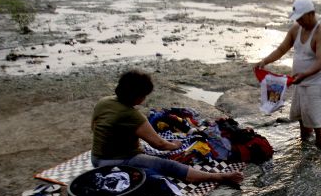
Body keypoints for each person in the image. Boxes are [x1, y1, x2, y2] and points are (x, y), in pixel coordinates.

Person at [91, 70, 243, 185]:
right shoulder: (132, 115)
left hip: (96, 157)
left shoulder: (104, 101)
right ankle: (219, 176)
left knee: (146, 153)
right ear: (137, 96)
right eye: (144, 95)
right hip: (111, 163)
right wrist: (174, 145)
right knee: (167, 164)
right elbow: (160, 145)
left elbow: (95, 127)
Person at [254, 0, 321, 147]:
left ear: (311, 14)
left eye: (301, 18)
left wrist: (304, 75)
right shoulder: (296, 29)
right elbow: (281, 49)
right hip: (299, 83)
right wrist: (265, 61)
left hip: (316, 84)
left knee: (316, 123)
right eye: (297, 19)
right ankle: (305, 148)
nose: (299, 21)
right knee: (302, 118)